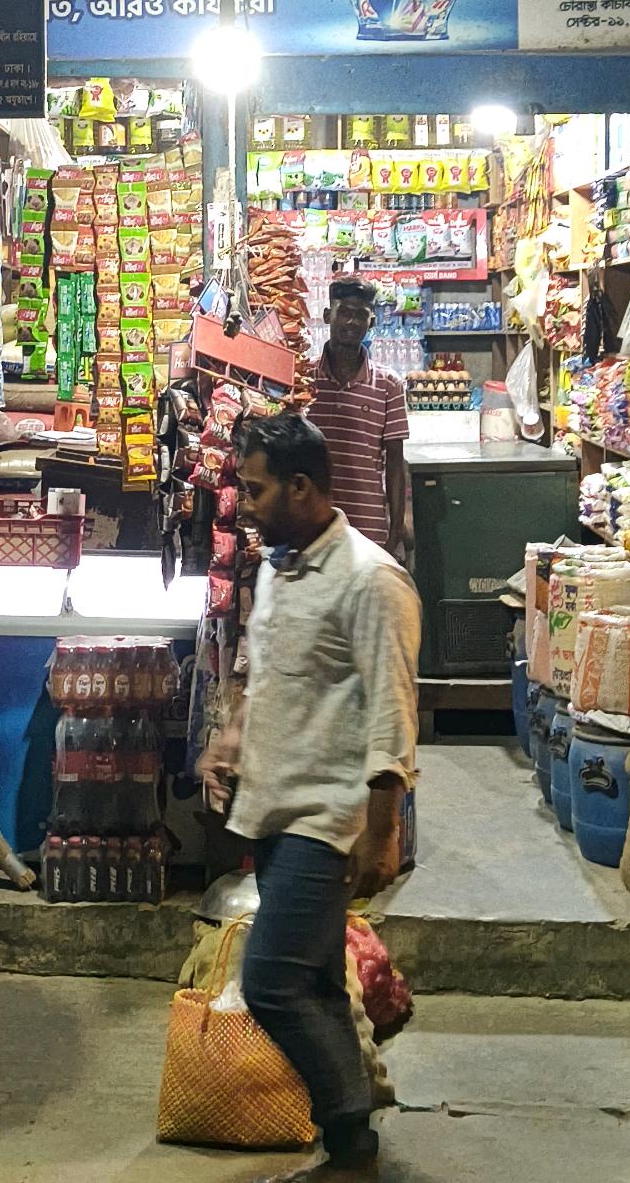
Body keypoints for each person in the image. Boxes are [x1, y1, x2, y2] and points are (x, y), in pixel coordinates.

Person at [200, 412, 421, 1178]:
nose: (245, 504)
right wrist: (232, 738)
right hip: (276, 804)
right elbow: (269, 672)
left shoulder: (370, 580)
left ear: (300, 486)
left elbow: (394, 714)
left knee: (272, 981)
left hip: (327, 819)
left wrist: (383, 830)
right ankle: (351, 1128)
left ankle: (352, 1140)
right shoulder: (281, 567)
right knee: (316, 980)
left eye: (256, 489)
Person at [306, 279, 410, 559]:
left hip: (369, 528)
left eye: (361, 315)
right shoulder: (304, 380)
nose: (351, 322)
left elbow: (395, 463)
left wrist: (396, 530)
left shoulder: (389, 385)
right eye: (344, 312)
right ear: (327, 315)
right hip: (312, 525)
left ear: (371, 322)